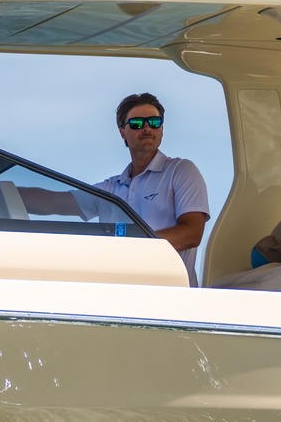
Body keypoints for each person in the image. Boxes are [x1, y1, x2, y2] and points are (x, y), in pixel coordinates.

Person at [24, 92, 210, 285]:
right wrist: (7, 190)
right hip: (120, 294)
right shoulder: (112, 188)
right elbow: (54, 202)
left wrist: (130, 248)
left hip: (172, 294)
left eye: (154, 122)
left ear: (162, 128)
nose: (147, 128)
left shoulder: (181, 171)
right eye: (137, 123)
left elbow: (192, 233)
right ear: (122, 132)